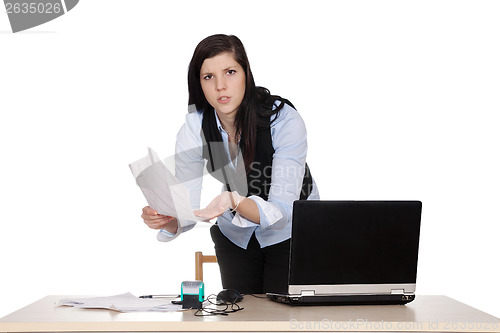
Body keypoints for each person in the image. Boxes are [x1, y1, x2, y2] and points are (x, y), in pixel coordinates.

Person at [141, 34, 319, 294]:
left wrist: (232, 200)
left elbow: (282, 211)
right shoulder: (194, 128)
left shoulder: (283, 120)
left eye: (230, 72)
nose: (220, 86)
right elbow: (188, 211)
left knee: (284, 316)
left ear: (246, 74)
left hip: (293, 231)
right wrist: (167, 219)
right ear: (199, 84)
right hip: (236, 233)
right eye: (208, 77)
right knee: (240, 315)